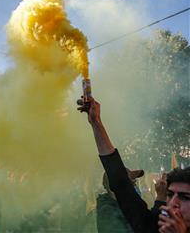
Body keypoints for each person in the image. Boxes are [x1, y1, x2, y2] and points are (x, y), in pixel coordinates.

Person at [78, 97, 190, 233]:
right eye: (170, 194)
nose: (173, 203)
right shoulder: (153, 225)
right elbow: (120, 181)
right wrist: (96, 122)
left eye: (184, 197)